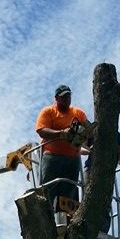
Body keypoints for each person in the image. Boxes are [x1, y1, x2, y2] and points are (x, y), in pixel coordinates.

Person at [35, 84, 90, 213]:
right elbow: (42, 130)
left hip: (72, 158)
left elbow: (89, 130)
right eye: (64, 97)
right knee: (49, 187)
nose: (67, 99)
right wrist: (60, 133)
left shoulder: (78, 113)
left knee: (70, 188)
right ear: (56, 98)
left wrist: (86, 134)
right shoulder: (48, 111)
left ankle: (67, 216)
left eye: (69, 96)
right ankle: (47, 215)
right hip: (52, 156)